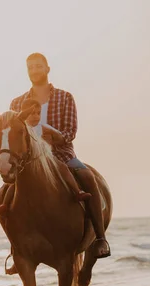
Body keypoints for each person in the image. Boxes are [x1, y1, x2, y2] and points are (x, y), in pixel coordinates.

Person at [7, 52, 111, 263]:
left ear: (47, 69)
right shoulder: (17, 103)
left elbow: (71, 132)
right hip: (29, 163)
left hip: (61, 155)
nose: (34, 71)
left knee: (88, 178)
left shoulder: (64, 97)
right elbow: (11, 134)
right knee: (4, 196)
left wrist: (56, 136)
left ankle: (100, 238)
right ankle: (16, 248)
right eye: (30, 68)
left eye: (38, 66)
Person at [0, 98, 91, 217]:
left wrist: (56, 137)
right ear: (23, 114)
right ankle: (5, 203)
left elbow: (59, 135)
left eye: (38, 113)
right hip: (30, 161)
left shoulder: (43, 127)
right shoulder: (22, 129)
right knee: (15, 181)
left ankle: (77, 191)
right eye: (31, 113)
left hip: (47, 158)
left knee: (62, 167)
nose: (36, 116)